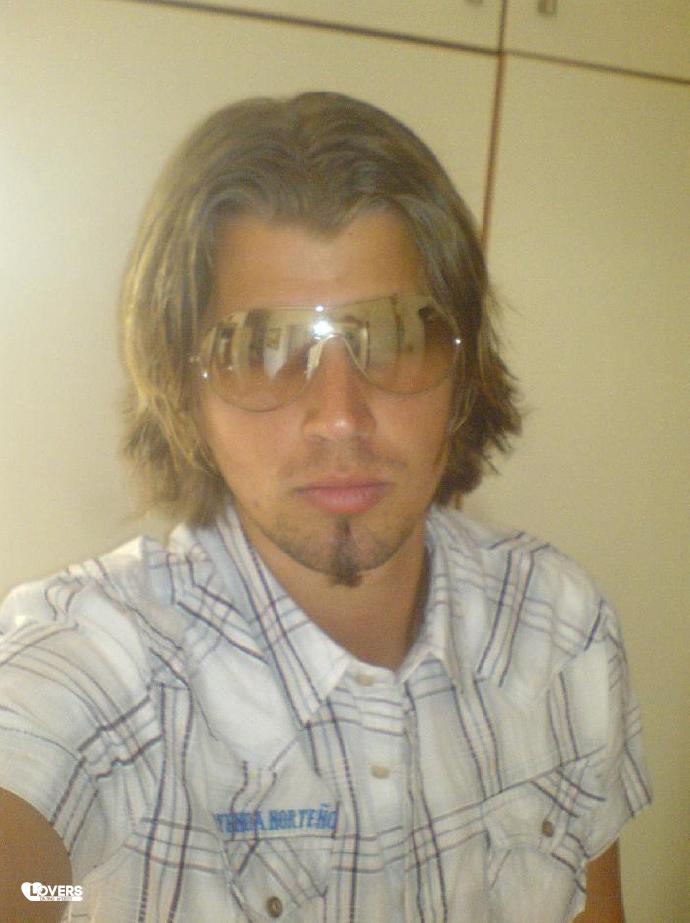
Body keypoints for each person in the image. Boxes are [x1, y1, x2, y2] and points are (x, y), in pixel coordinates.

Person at [0, 92, 650, 922]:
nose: (340, 416)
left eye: (396, 334)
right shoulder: (99, 666)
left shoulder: (561, 627)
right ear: (183, 394)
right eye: (261, 349)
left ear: (462, 372)